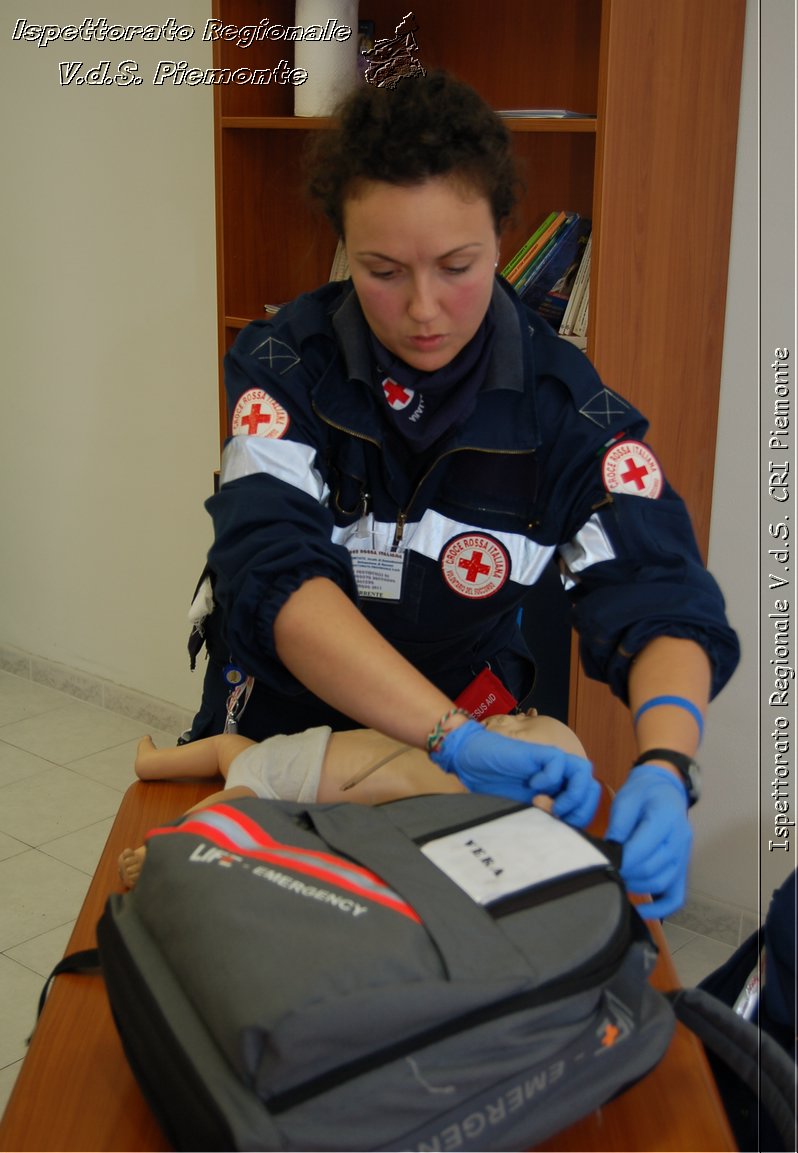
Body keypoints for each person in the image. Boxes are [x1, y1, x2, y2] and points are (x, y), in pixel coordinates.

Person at [187, 70, 739, 917]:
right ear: (342, 244)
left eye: (457, 266)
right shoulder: (283, 368)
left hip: (466, 736)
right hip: (278, 733)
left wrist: (667, 764)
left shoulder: (563, 409)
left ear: (501, 238)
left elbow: (657, 589)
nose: (423, 310)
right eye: (382, 271)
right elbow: (275, 576)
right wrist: (451, 734)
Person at [119, 711, 588, 887]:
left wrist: (540, 814)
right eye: (526, 715)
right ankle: (155, 791)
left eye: (524, 730)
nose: (513, 718)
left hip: (277, 779)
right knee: (227, 762)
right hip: (281, 758)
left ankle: (158, 822)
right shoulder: (452, 740)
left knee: (230, 784)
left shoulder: (455, 793)